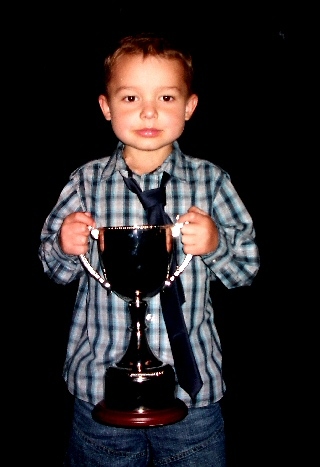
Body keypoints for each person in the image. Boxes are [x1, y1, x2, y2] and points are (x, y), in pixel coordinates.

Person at [39, 32, 260, 466]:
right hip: (101, 390)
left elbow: (247, 267)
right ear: (106, 107)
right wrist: (65, 246)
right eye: (129, 97)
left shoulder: (212, 182)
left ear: (190, 106)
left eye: (165, 96)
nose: (148, 111)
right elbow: (52, 266)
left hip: (191, 395)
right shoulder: (85, 183)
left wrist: (216, 244)